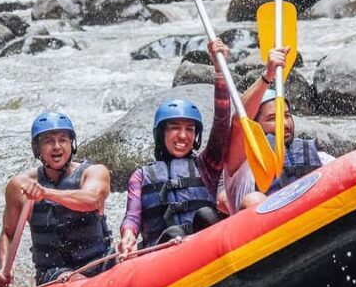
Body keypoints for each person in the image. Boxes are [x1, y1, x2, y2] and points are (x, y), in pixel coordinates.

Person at [119, 39, 232, 252]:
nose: (183, 135)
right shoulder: (140, 176)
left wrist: (219, 72)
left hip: (207, 248)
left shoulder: (206, 166)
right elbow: (132, 217)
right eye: (175, 128)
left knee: (206, 215)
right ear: (161, 133)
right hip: (163, 256)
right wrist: (128, 236)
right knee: (174, 235)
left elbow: (222, 123)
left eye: (189, 129)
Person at [0, 112, 114, 287]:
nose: (57, 147)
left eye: (63, 140)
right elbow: (8, 233)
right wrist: (4, 268)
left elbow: (93, 200)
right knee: (78, 284)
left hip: (100, 261)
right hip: (54, 273)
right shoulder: (20, 186)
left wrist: (46, 193)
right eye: (48, 141)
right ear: (38, 149)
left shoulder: (94, 172)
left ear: (71, 144)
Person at [224, 47, 335, 213]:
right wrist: (267, 76)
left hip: (313, 225)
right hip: (265, 234)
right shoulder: (243, 166)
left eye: (287, 115)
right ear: (255, 126)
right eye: (272, 118)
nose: (284, 123)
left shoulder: (316, 156)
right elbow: (240, 122)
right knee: (254, 200)